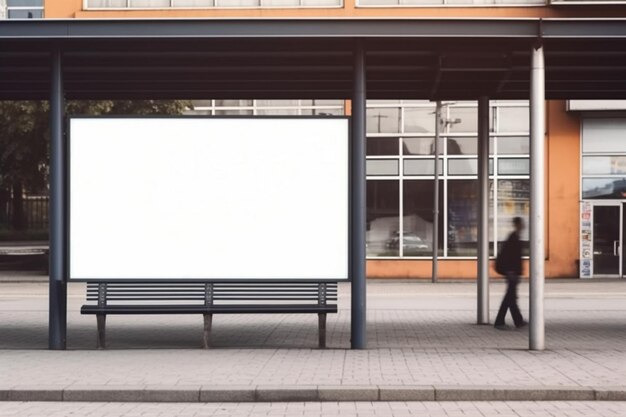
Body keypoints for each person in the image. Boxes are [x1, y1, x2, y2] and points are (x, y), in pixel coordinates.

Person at [494, 217, 527, 330]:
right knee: (509, 298)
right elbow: (509, 257)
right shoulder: (513, 238)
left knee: (511, 298)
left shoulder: (515, 237)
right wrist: (511, 272)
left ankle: (518, 321)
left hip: (513, 272)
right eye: (521, 223)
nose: (523, 225)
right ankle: (499, 322)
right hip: (512, 273)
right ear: (517, 224)